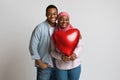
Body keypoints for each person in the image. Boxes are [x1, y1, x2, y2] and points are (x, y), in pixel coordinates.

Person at [29, 5, 58, 80]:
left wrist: (77, 34)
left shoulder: (60, 28)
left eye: (54, 14)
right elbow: (32, 46)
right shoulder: (40, 28)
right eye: (49, 14)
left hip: (58, 67)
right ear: (46, 14)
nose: (52, 16)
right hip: (45, 67)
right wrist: (40, 63)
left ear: (57, 15)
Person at [51, 12, 82, 80]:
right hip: (61, 67)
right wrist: (61, 57)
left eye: (67, 19)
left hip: (75, 65)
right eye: (61, 19)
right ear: (58, 20)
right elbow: (52, 52)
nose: (64, 21)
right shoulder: (55, 35)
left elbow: (80, 46)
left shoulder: (75, 32)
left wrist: (75, 54)